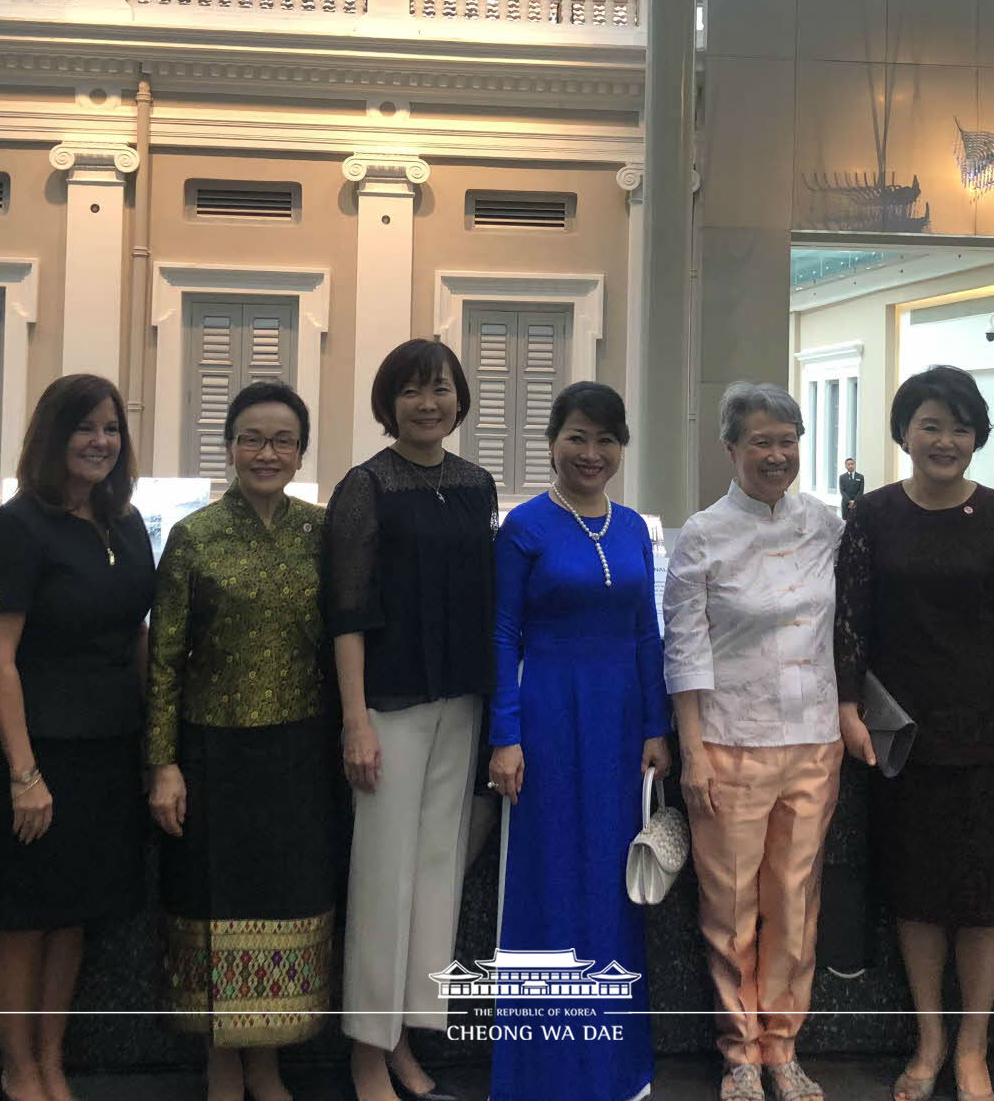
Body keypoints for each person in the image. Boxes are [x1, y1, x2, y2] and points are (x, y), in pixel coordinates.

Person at [835, 367, 994, 1101]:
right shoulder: (870, 515)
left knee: (986, 897)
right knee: (918, 894)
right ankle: (929, 1040)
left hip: (992, 736)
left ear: (978, 437)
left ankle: (973, 1048)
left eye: (960, 427)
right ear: (904, 432)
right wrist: (847, 711)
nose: (946, 440)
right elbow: (850, 625)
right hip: (901, 737)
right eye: (930, 424)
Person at [664, 381, 855, 1101]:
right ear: (731, 449)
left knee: (796, 904)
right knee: (731, 909)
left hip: (813, 735)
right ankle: (740, 1049)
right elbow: (684, 649)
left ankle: (783, 1046)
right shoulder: (704, 534)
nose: (777, 455)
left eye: (788, 441)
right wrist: (693, 750)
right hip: (730, 741)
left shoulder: (826, 525)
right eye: (761, 442)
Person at [147, 380, 333, 1101]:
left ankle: (269, 1062)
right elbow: (163, 660)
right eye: (252, 438)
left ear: (300, 451)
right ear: (229, 446)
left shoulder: (320, 531)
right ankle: (222, 1063)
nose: (266, 453)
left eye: (282, 440)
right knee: (215, 904)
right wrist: (162, 764)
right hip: (211, 751)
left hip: (299, 750)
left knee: (287, 900)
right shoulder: (193, 537)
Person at [0, 374, 155, 1101]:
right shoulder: (15, 527)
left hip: (110, 747)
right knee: (25, 921)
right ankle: (17, 1075)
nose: (100, 442)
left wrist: (153, 744)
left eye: (111, 428)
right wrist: (24, 772)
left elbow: (139, 634)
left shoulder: (127, 523)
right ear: (52, 437)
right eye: (84, 428)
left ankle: (52, 1063)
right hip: (39, 751)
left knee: (76, 915)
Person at [488, 381, 672, 1101]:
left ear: (621, 447)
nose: (592, 453)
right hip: (546, 715)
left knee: (610, 883)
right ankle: (545, 1071)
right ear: (552, 442)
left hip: (621, 716)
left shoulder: (632, 528)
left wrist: (657, 726)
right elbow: (503, 634)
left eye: (606, 439)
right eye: (577, 437)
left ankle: (614, 1066)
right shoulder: (525, 527)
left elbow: (644, 631)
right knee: (549, 875)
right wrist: (506, 735)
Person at [328, 339, 497, 1101]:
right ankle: (366, 1051)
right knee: (382, 880)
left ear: (459, 398)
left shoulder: (475, 484)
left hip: (460, 700)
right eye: (413, 391)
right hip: (388, 707)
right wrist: (355, 719)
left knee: (437, 875)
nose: (429, 404)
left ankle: (404, 1038)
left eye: (441, 389)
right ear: (388, 403)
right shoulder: (366, 486)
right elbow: (347, 612)